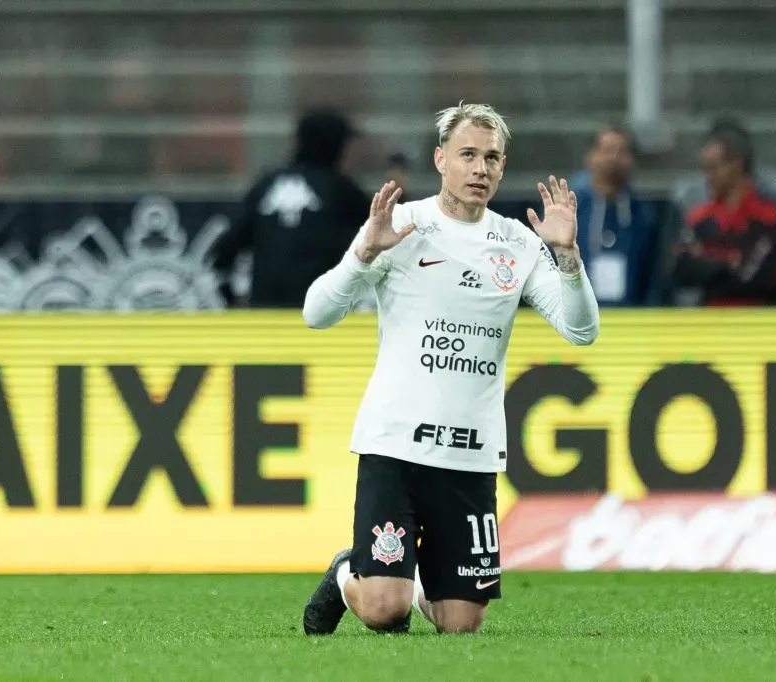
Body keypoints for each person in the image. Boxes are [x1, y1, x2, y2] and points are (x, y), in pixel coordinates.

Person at [300, 102, 600, 636]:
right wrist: (363, 253)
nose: (480, 169)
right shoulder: (401, 226)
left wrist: (568, 257)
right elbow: (316, 313)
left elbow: (581, 330)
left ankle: (399, 577)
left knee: (459, 624)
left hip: (471, 454)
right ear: (441, 159)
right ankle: (350, 572)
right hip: (396, 446)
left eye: (491, 158)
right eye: (467, 155)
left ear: (503, 167)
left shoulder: (519, 243)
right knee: (383, 611)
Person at [212, 108, 369, 307]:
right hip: (318, 311)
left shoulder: (265, 185)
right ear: (334, 145)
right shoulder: (340, 189)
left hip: (265, 310)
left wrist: (230, 297)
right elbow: (381, 230)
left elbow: (225, 249)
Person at [671, 123, 776, 306]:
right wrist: (728, 261)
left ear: (736, 164)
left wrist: (706, 258)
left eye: (713, 168)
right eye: (705, 169)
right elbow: (680, 270)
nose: (707, 177)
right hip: (708, 325)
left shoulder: (771, 218)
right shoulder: (699, 217)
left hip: (760, 324)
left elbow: (756, 279)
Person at [569, 125, 665, 306]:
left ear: (632, 161)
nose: (613, 159)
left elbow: (652, 277)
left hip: (629, 321)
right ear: (591, 157)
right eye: (607, 150)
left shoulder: (643, 216)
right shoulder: (569, 210)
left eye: (622, 152)